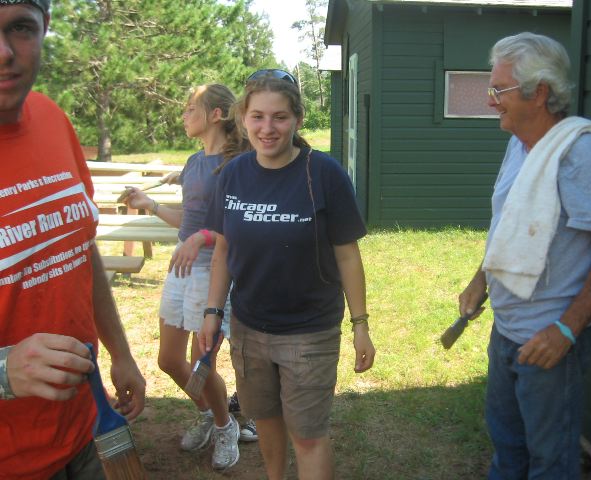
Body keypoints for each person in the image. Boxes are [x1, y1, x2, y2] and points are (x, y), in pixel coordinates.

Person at [458, 32, 591, 479]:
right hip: (507, 330)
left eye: (499, 89)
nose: (491, 100)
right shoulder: (519, 145)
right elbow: (509, 225)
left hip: (550, 343)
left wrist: (565, 330)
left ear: (538, 93)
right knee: (508, 451)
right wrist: (481, 279)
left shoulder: (582, 152)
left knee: (550, 463)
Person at [198, 69, 376, 480]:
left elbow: (348, 255)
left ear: (297, 119)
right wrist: (212, 312)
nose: (268, 128)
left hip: (309, 332)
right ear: (243, 118)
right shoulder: (233, 174)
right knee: (266, 423)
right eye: (258, 116)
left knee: (308, 437)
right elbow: (223, 249)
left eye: (279, 117)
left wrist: (361, 325)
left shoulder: (325, 174)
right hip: (248, 328)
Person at [0, 1, 146, 478]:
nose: (4, 52)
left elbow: (78, 250)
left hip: (86, 429)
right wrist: (4, 371)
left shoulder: (51, 118)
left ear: (44, 29)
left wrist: (120, 351)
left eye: (20, 28)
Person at [122, 83, 255, 470]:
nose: (183, 115)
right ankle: (210, 414)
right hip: (183, 266)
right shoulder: (194, 162)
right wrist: (150, 204)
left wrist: (202, 239)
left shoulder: (238, 163)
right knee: (168, 359)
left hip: (216, 269)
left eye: (190, 108)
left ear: (216, 114)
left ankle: (225, 427)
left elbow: (239, 225)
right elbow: (188, 221)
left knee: (202, 363)